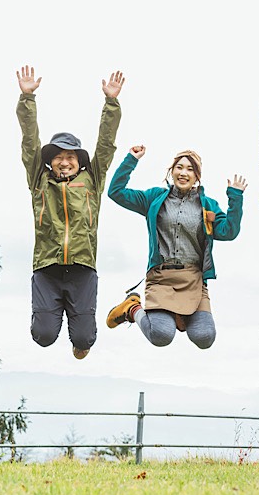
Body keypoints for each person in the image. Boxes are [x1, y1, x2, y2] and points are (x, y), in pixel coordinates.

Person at [16, 65, 124, 360]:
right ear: (50, 162)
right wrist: (27, 99)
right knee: (44, 336)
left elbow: (106, 144)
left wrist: (111, 102)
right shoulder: (39, 180)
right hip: (47, 268)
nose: (64, 162)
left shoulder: (92, 180)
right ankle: (48, 317)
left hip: (82, 269)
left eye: (70, 156)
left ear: (79, 161)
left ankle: (79, 334)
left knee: (84, 337)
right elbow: (29, 142)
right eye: (59, 157)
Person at [105, 146, 245, 349]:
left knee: (205, 337)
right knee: (161, 335)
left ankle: (178, 314)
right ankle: (132, 308)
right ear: (172, 171)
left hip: (193, 280)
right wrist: (131, 160)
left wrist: (235, 198)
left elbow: (229, 232)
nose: (183, 173)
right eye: (179, 167)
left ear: (197, 176)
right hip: (161, 278)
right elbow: (115, 192)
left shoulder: (208, 205)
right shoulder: (154, 198)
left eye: (190, 169)